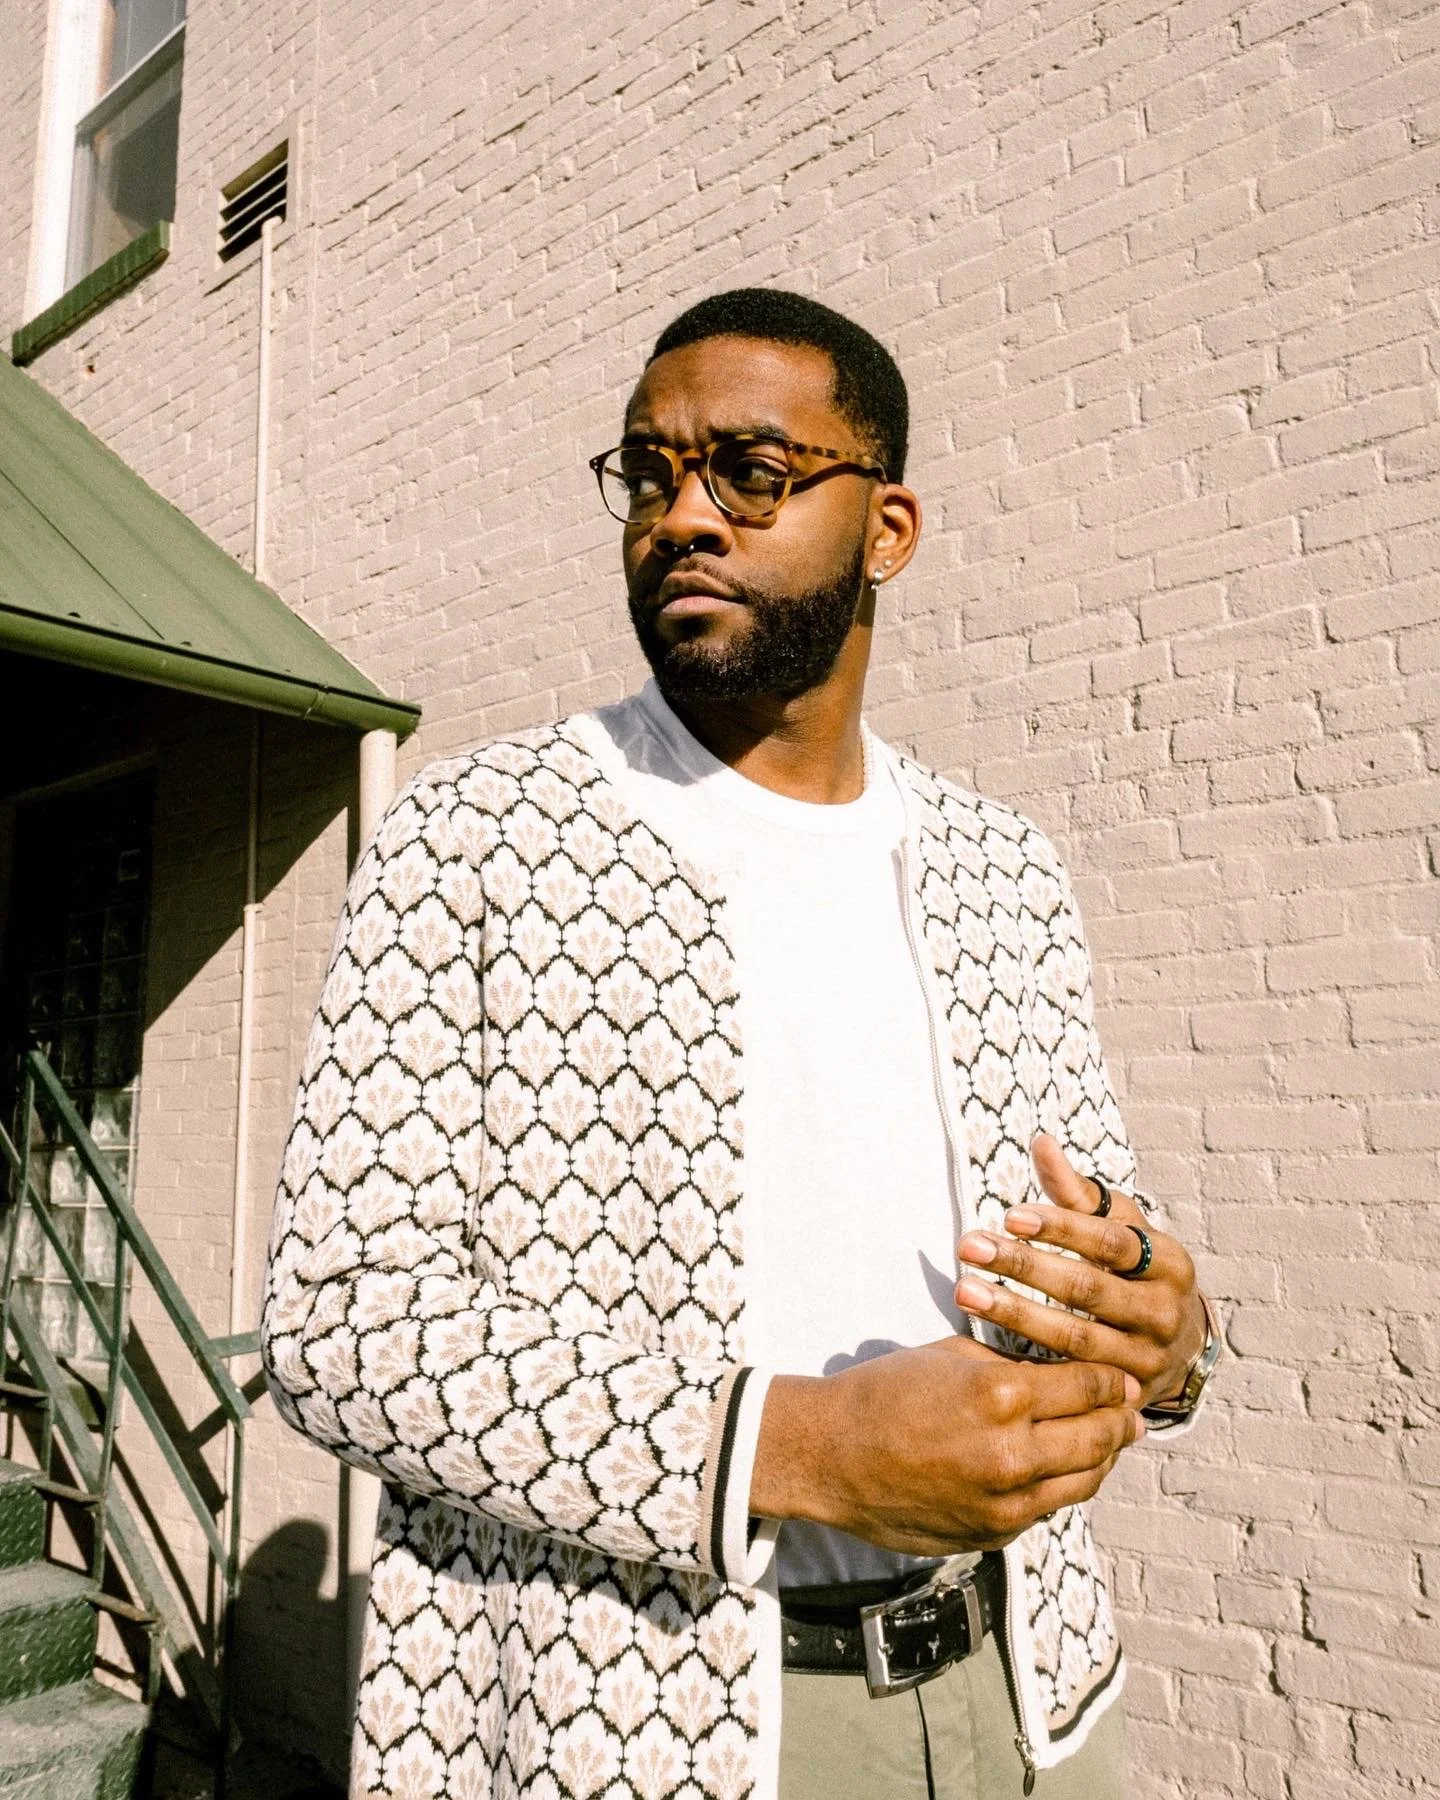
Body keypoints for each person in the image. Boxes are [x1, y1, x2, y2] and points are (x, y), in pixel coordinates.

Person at [261, 288, 1221, 1800]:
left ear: (886, 526)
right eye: (650, 474)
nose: (683, 515)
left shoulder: (1001, 865)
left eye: (752, 473)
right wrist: (807, 1446)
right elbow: (338, 1326)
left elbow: (1091, 1230)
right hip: (650, 1731)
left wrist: (1166, 1341)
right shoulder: (482, 835)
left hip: (1029, 1692)